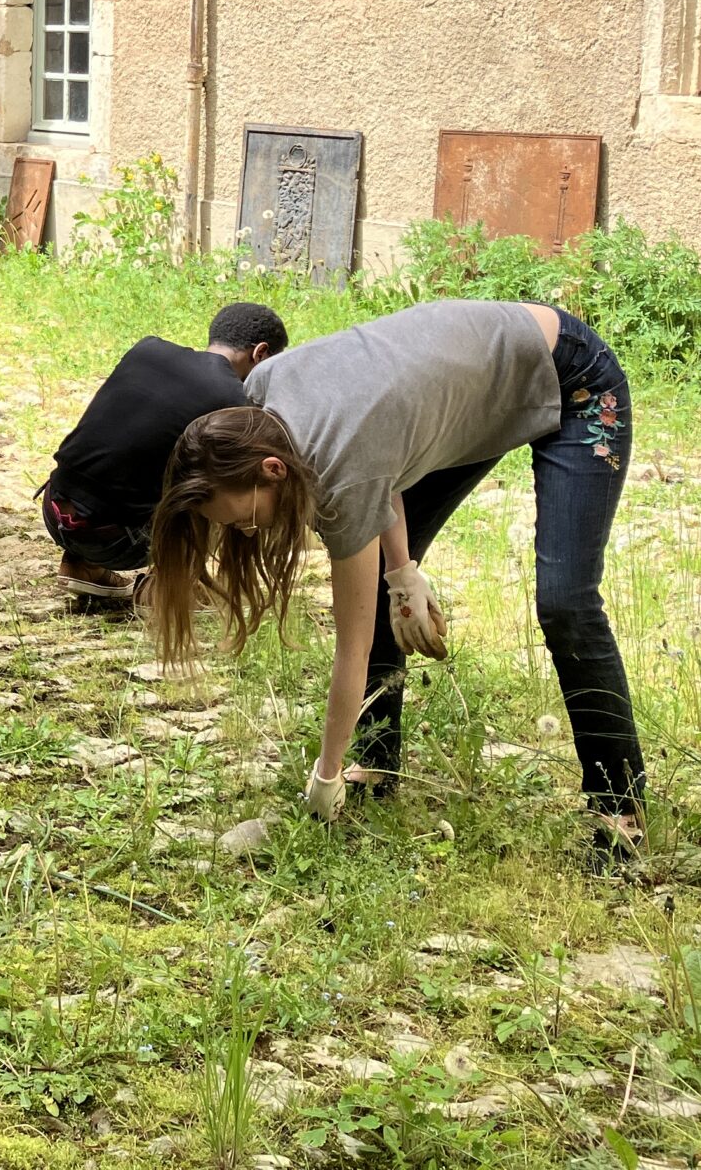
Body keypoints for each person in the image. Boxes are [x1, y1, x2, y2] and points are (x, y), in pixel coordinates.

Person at [150, 300, 645, 855]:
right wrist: (403, 574)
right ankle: (378, 762)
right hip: (470, 392)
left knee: (566, 603)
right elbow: (382, 454)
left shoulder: (335, 468)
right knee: (381, 584)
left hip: (570, 374)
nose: (247, 533)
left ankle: (618, 802)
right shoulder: (260, 396)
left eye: (245, 519)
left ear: (272, 470)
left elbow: (351, 646)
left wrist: (324, 778)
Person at [41, 302, 288, 612]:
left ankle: (81, 567)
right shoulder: (232, 403)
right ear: (261, 354)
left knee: (130, 450)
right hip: (118, 540)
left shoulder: (148, 350)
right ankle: (169, 588)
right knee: (225, 481)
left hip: (54, 511)